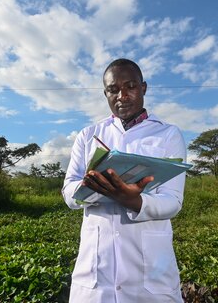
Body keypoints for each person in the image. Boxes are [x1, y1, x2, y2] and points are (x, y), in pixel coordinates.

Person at [62, 58, 187, 302]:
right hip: (96, 273)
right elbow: (68, 191)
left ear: (144, 88)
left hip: (150, 272)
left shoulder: (168, 133)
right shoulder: (88, 135)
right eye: (113, 89)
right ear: (105, 93)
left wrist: (134, 200)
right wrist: (89, 187)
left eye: (130, 86)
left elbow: (173, 201)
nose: (122, 95)